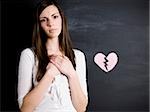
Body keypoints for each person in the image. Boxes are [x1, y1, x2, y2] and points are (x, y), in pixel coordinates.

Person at [17, 0, 88, 111]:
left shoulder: (78, 56)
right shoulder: (29, 55)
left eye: (55, 17)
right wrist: (49, 74)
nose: (50, 23)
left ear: (62, 19)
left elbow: (81, 108)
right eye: (44, 20)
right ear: (39, 25)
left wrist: (71, 74)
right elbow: (25, 108)